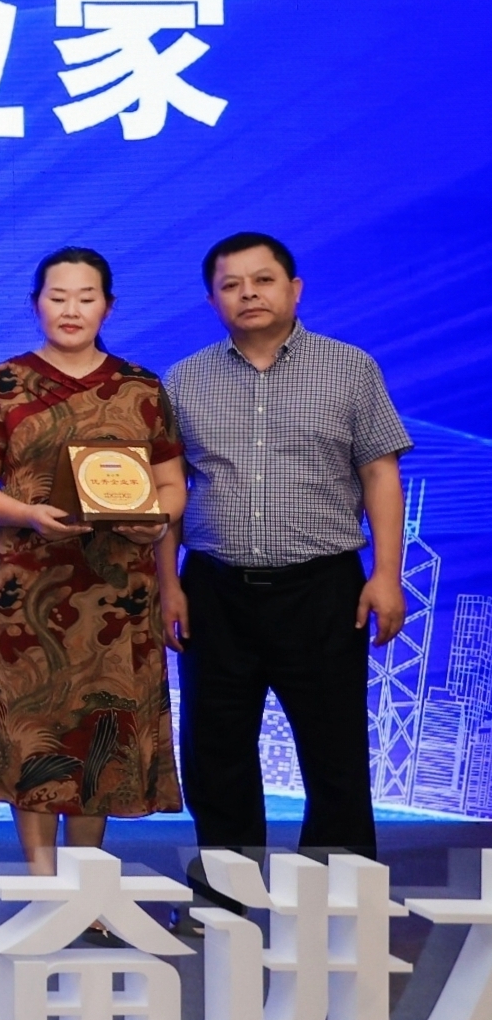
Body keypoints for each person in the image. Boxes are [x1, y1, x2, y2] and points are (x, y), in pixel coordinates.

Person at [168, 231, 409, 876]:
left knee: (334, 753)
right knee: (215, 753)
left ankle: (335, 900)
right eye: (231, 285)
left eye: (263, 280)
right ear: (213, 301)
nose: (248, 294)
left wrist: (387, 575)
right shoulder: (184, 380)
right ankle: (227, 895)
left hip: (322, 589)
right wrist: (169, 586)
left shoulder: (350, 368)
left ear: (294, 289)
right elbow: (169, 492)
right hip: (216, 589)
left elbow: (380, 474)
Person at [0, 246, 187, 886]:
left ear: (107, 306)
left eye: (86, 297)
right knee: (31, 727)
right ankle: (43, 885)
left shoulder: (142, 388)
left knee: (101, 732)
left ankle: (86, 886)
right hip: (23, 588)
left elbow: (172, 485)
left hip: (117, 592)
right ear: (35, 304)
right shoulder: (3, 383)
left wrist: (156, 519)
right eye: (57, 297)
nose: (71, 309)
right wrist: (29, 514)